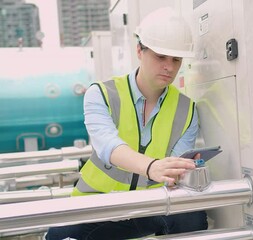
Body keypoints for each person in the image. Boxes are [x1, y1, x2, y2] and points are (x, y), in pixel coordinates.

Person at [46, 7, 208, 240]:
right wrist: (152, 166)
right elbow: (108, 146)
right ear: (139, 51)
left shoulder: (188, 110)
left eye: (176, 59)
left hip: (151, 206)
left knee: (191, 218)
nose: (169, 67)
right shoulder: (100, 93)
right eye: (160, 56)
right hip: (99, 204)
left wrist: (181, 170)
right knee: (58, 236)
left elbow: (175, 168)